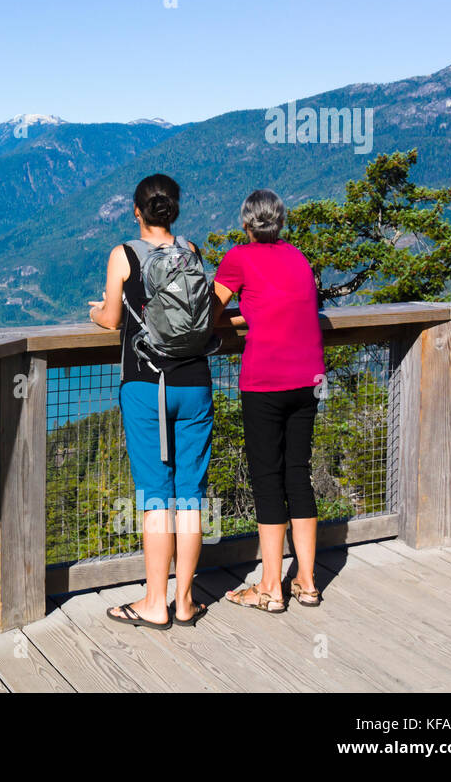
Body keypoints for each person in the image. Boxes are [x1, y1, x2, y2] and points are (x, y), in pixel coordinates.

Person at [91, 173, 213, 629]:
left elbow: (111, 318)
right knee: (191, 496)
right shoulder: (193, 251)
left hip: (146, 386)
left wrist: (94, 311)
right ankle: (184, 602)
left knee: (156, 497)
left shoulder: (123, 255)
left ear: (137, 211)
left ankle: (154, 603)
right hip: (196, 382)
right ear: (174, 210)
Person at [211, 189, 326, 612]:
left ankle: (270, 589)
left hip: (266, 380)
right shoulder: (298, 257)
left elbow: (209, 314)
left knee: (267, 479)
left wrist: (237, 314)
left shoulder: (239, 258)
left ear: (246, 223)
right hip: (309, 377)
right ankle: (308, 582)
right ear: (280, 221)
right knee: (298, 473)